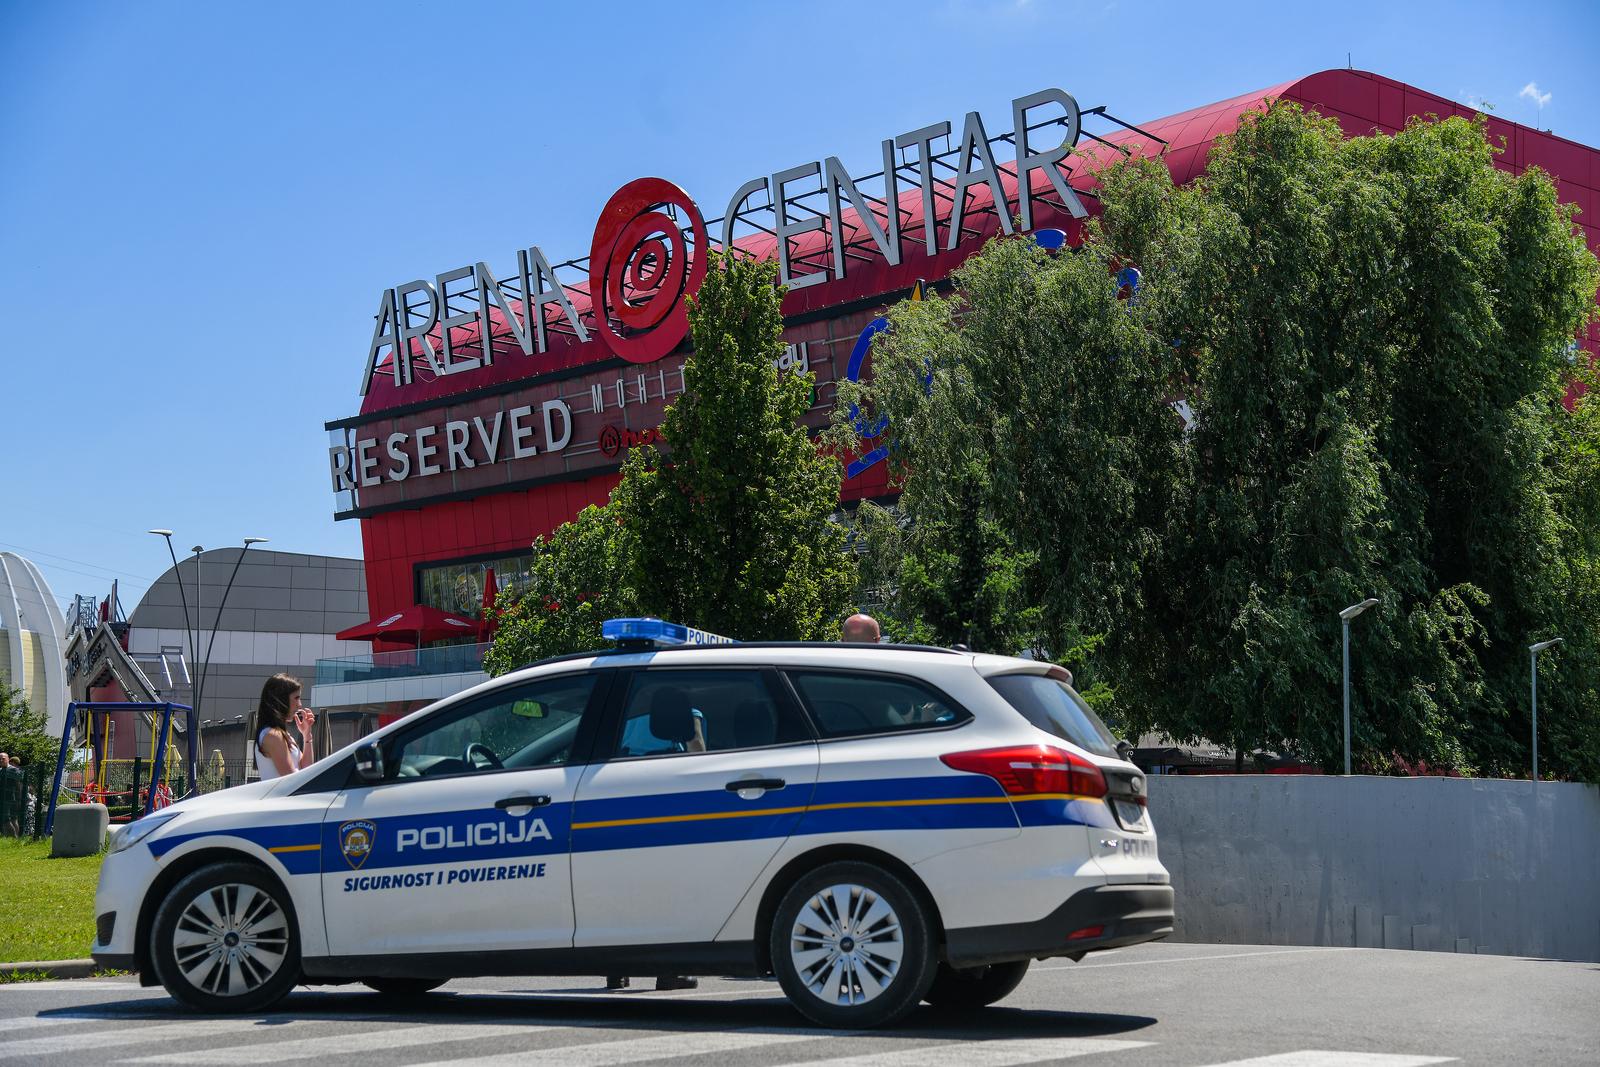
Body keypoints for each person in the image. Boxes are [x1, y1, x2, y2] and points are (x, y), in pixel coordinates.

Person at [255, 673, 316, 780]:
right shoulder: (273, 735)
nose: (300, 704)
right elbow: (292, 780)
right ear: (281, 700)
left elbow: (306, 769)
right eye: (296, 698)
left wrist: (307, 736)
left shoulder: (280, 734)